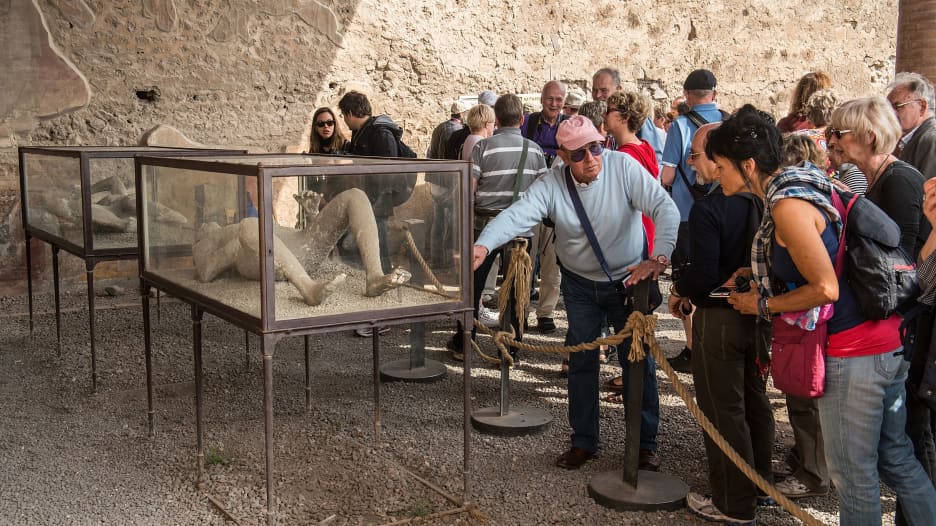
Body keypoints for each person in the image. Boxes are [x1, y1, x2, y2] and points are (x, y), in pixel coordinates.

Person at [713, 105, 936, 525]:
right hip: (886, 343)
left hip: (854, 354)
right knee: (897, 459)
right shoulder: (806, 181)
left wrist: (760, 304)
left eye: (720, 164)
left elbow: (824, 288)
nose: (715, 172)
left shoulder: (787, 205)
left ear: (746, 165)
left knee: (853, 476)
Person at [472, 115, 679, 470]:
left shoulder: (623, 167)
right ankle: (584, 441)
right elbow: (518, 214)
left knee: (638, 363)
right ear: (564, 157)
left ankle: (645, 444)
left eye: (595, 147)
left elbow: (664, 207)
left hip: (628, 283)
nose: (591, 158)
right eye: (579, 153)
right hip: (581, 285)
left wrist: (659, 257)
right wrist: (484, 245)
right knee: (581, 364)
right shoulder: (552, 184)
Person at [829, 95, 936, 525]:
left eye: (840, 133)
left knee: (904, 443)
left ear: (868, 137)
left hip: (906, 327)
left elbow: (904, 267)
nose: (832, 140)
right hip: (895, 328)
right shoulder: (876, 180)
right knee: (895, 451)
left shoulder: (899, 182)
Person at [668, 121, 775, 525]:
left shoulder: (711, 207)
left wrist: (680, 290)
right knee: (753, 399)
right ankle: (759, 483)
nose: (694, 164)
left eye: (698, 155)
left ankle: (734, 502)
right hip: (758, 317)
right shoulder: (765, 200)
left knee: (722, 409)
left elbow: (704, 275)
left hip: (721, 318)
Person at [447, 94, 549, 358]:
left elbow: (470, 190)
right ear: (522, 120)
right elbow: (542, 192)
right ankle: (511, 347)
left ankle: (464, 342)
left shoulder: (484, 148)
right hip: (521, 230)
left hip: (484, 225)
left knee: (474, 287)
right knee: (516, 289)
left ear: (498, 119)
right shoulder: (535, 150)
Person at [660, 68, 728, 373]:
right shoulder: (728, 122)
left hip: (688, 214)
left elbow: (668, 174)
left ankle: (692, 346)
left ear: (687, 95)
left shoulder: (681, 125)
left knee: (688, 277)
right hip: (727, 210)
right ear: (714, 94)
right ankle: (719, 343)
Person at [337, 90, 414, 336]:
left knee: (378, 254)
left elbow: (387, 170)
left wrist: (376, 202)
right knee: (366, 251)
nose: (343, 120)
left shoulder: (379, 133)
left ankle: (382, 317)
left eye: (343, 115)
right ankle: (374, 312)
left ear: (350, 113)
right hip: (371, 202)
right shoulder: (364, 133)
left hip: (377, 204)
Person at [523, 80, 569, 335]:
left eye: (558, 99)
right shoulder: (528, 124)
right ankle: (521, 310)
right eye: (550, 98)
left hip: (557, 204)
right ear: (542, 99)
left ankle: (546, 312)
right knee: (525, 260)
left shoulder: (569, 127)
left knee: (553, 263)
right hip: (531, 202)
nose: (554, 104)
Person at [591, 67, 663, 163]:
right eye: (595, 90)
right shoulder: (591, 117)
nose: (598, 95)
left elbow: (655, 158)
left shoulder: (636, 117)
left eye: (604, 90)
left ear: (618, 89)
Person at [887, 72, 936, 180]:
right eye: (888, 108)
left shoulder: (931, 140)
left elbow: (927, 191)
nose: (891, 113)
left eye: (897, 106)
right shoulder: (909, 138)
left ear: (922, 107)